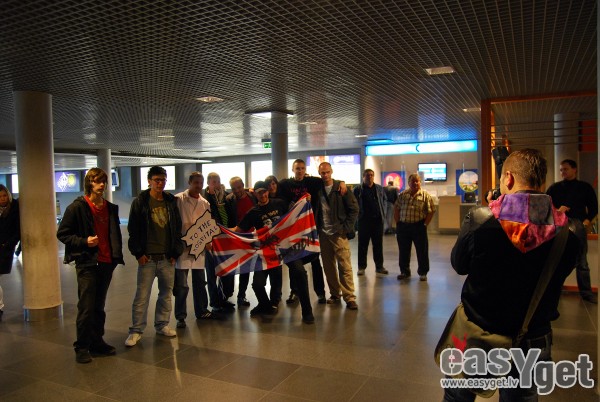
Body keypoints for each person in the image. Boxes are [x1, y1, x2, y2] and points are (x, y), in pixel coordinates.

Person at [444, 149, 579, 401]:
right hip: (533, 336)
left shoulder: (480, 219)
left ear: (508, 177)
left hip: (477, 333)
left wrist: (492, 209)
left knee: (457, 396)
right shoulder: (570, 230)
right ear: (542, 181)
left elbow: (459, 264)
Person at [57, 168, 123, 363]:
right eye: (96, 181)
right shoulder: (77, 207)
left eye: (103, 181)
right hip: (87, 263)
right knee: (86, 307)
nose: (101, 184)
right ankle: (82, 346)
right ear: (89, 183)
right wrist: (84, 241)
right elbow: (63, 234)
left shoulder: (110, 208)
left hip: (106, 262)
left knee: (99, 306)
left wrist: (115, 257)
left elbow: (114, 234)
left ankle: (96, 342)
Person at [125, 165, 183, 347]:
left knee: (166, 294)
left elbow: (177, 228)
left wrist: (175, 252)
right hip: (147, 258)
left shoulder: (170, 201)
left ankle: (162, 324)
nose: (160, 183)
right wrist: (138, 253)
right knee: (142, 296)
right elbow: (133, 229)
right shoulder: (141, 202)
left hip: (167, 257)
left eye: (163, 180)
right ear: (149, 181)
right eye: (157, 180)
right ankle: (136, 330)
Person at [546, 159, 598, 304]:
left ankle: (586, 293)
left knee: (582, 261)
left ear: (574, 169)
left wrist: (586, 221)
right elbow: (546, 207)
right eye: (561, 169)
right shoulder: (554, 188)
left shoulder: (584, 187)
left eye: (566, 169)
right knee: (556, 259)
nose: (563, 172)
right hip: (560, 225)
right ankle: (555, 290)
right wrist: (558, 211)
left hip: (578, 225)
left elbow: (594, 207)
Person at [231, 181, 284, 316]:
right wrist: (219, 231)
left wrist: (306, 200)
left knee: (276, 281)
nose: (262, 195)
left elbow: (294, 213)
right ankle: (265, 304)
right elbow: (238, 230)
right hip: (262, 251)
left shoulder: (279, 203)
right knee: (257, 284)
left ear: (268, 191)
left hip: (278, 250)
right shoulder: (253, 212)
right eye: (259, 193)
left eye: (264, 192)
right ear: (255, 194)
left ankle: (273, 303)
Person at [174, 172, 219, 329]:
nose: (198, 186)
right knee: (181, 285)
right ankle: (180, 316)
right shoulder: (178, 199)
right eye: (196, 183)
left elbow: (208, 225)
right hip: (182, 249)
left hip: (199, 249)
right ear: (189, 182)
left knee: (200, 282)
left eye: (201, 183)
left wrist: (208, 241)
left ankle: (201, 310)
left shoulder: (205, 203)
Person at [279, 159, 327, 305]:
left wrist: (342, 183)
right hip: (293, 229)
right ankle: (295, 291)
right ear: (292, 170)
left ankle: (320, 292)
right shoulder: (285, 184)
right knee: (294, 261)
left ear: (305, 170)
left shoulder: (312, 182)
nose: (300, 171)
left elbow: (328, 179)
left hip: (310, 228)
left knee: (315, 260)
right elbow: (272, 189)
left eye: (302, 168)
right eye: (297, 168)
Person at [317, 162, 359, 309]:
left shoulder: (341, 188)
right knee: (328, 267)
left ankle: (349, 297)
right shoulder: (318, 189)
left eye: (327, 172)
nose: (325, 175)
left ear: (332, 171)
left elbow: (354, 209)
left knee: (344, 265)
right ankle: (335, 294)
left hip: (338, 233)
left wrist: (346, 228)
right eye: (322, 173)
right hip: (324, 233)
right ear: (319, 173)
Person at [393, 173, 435, 281]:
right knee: (403, 251)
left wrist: (425, 224)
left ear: (420, 183)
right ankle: (404, 272)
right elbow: (396, 208)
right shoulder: (403, 195)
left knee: (422, 251)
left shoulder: (425, 195)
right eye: (413, 181)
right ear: (408, 183)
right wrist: (398, 223)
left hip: (419, 226)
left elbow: (431, 211)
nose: (415, 183)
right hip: (403, 227)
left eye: (417, 181)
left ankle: (423, 273)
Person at [204, 172, 235, 312]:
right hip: (212, 239)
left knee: (227, 270)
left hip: (226, 238)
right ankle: (214, 302)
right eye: (214, 182)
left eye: (218, 181)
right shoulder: (205, 198)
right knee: (212, 273)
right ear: (208, 183)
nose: (217, 184)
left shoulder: (226, 196)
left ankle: (224, 298)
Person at [225, 176, 256, 307]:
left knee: (245, 268)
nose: (237, 191)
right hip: (233, 237)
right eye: (234, 188)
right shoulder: (228, 200)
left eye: (239, 187)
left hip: (249, 238)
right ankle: (227, 294)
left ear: (243, 185)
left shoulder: (253, 197)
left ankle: (241, 295)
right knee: (230, 267)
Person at [353, 169, 388, 277]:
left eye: (372, 175)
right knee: (362, 245)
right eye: (367, 175)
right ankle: (361, 267)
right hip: (364, 221)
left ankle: (379, 266)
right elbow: (353, 203)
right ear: (363, 176)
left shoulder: (379, 188)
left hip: (377, 221)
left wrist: (383, 212)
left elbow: (385, 200)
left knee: (378, 245)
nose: (370, 177)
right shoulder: (358, 190)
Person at [0, 184, 19, 323]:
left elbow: (17, 231)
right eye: (0, 196)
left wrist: (7, 244)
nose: (3, 199)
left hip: (4, 248)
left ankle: (0, 307)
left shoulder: (14, 209)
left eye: (5, 195)